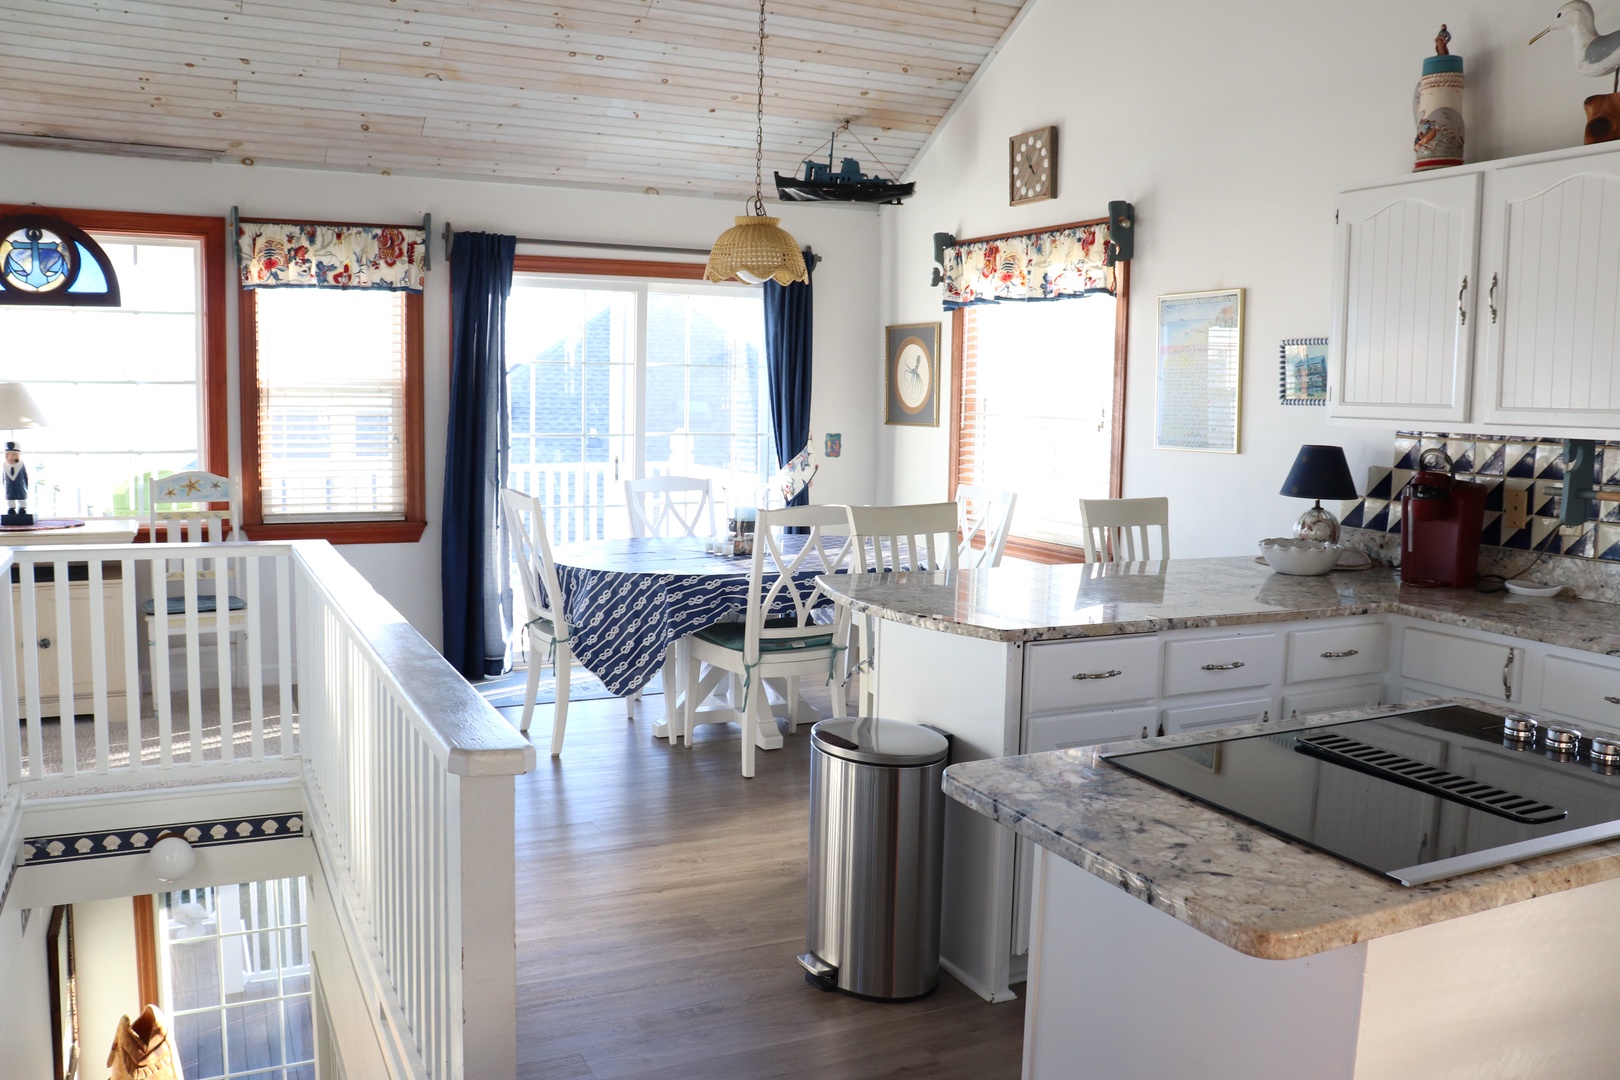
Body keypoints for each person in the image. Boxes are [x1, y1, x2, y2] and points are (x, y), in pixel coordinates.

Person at [3, 440, 27, 518]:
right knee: (10, 496)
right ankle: (11, 508)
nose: (11, 456)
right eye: (8, 454)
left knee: (21, 496)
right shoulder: (5, 465)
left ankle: (22, 508)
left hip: (20, 484)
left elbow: (25, 475)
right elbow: (3, 476)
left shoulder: (21, 464)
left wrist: (26, 485)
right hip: (9, 485)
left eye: (13, 454)